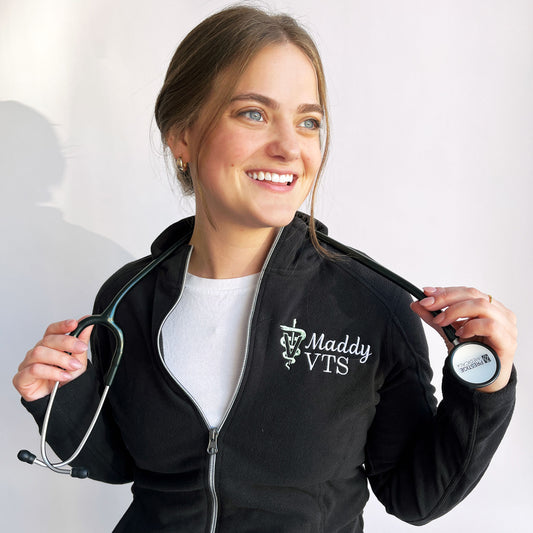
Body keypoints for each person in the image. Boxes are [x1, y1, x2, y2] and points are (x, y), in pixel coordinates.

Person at [13, 5, 517, 532]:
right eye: (253, 113)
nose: (288, 147)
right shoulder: (128, 297)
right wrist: (56, 396)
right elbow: (119, 465)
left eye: (308, 121)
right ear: (182, 135)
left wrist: (485, 388)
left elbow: (418, 498)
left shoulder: (370, 306)